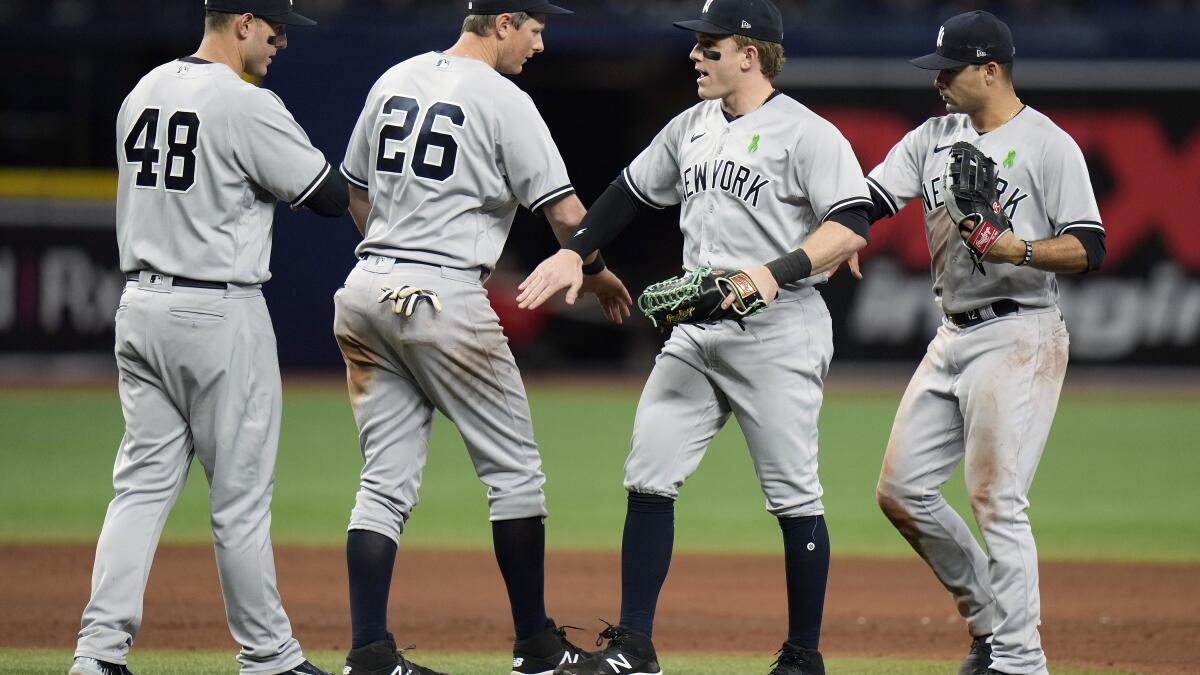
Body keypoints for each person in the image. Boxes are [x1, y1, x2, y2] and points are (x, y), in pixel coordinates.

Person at [517, 0, 871, 673]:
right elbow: (627, 191)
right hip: (696, 329)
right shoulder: (692, 127)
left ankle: (803, 656)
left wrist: (772, 273)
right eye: (698, 45)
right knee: (648, 471)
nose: (694, 55)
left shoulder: (806, 133)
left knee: (794, 495)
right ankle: (636, 645)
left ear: (750, 52)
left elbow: (851, 222)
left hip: (779, 331)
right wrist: (579, 252)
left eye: (709, 45)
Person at [333, 2, 632, 674]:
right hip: (444, 295)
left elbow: (355, 190)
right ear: (502, 22)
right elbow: (567, 214)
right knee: (515, 474)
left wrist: (392, 259)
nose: (541, 42)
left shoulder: (394, 78)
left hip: (366, 288)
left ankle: (369, 653)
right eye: (535, 28)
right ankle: (536, 648)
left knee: (381, 484)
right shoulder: (504, 98)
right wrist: (600, 272)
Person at [70, 2, 349, 675]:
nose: (282, 40)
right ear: (242, 22)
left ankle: (97, 653)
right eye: (275, 28)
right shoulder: (246, 103)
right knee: (241, 498)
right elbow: (329, 197)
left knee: (138, 488)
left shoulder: (144, 90)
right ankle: (271, 656)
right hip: (217, 312)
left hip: (140, 305)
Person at [865, 11, 1106, 675]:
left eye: (951, 69)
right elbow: (868, 201)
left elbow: (1090, 247)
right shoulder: (931, 137)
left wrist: (1018, 246)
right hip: (952, 333)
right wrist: (830, 242)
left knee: (998, 497)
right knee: (900, 491)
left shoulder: (1048, 145)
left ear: (992, 70)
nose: (938, 79)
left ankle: (1021, 661)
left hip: (1020, 332)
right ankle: (990, 626)